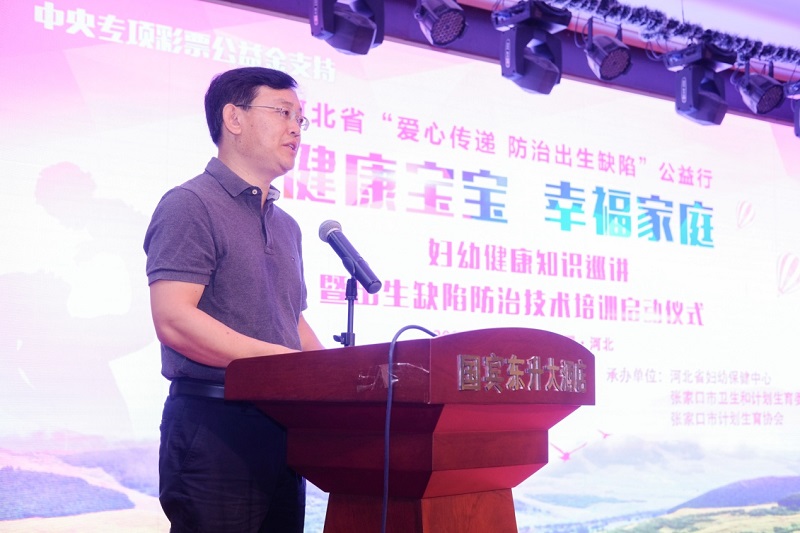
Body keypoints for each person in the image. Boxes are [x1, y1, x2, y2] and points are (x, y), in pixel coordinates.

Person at [143, 67, 325, 532]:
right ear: (234, 118)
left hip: (283, 426)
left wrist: (332, 377)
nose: (296, 129)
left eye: (301, 118)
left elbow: (292, 322)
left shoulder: (286, 226)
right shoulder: (191, 203)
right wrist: (281, 363)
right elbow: (174, 319)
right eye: (283, 112)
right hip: (215, 424)